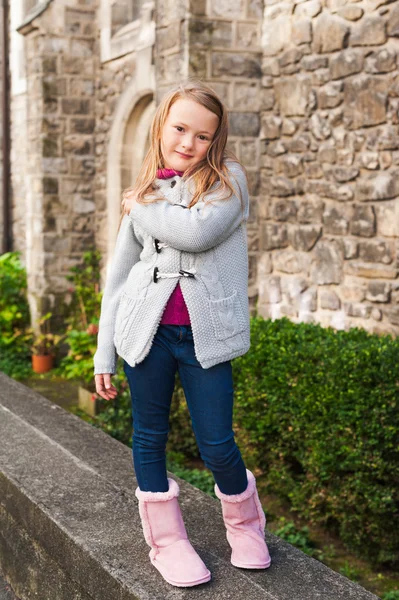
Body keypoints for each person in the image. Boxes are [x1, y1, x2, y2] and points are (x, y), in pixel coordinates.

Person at [93, 79, 271, 588]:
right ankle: (167, 543)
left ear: (216, 141)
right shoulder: (147, 186)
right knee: (148, 438)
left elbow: (195, 232)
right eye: (180, 128)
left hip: (204, 338)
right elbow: (120, 278)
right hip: (146, 335)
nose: (189, 142)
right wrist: (104, 353)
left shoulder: (228, 182)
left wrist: (139, 203)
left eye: (203, 135)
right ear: (162, 127)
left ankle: (245, 524)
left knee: (216, 441)